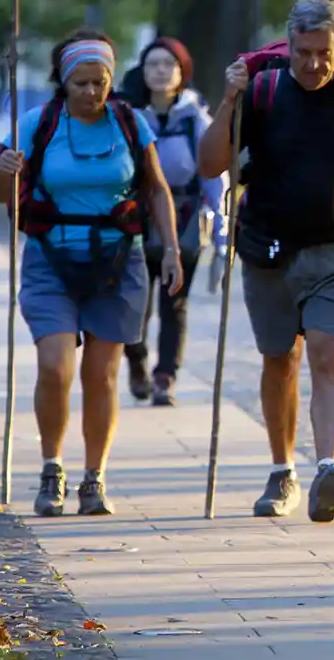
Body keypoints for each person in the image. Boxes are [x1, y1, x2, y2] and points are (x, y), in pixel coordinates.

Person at [198, 0, 334, 524]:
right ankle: (281, 469)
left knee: (327, 354)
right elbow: (210, 163)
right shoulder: (263, 93)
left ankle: (327, 468)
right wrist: (229, 100)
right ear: (288, 46)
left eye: (325, 53)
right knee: (279, 360)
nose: (315, 64)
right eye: (304, 52)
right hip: (269, 251)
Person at [0, 30, 182, 517]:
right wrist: (7, 172)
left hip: (119, 260)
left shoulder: (130, 122)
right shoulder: (37, 123)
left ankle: (94, 478)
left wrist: (173, 250)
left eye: (100, 82)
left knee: (102, 375)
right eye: (81, 83)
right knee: (55, 367)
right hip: (50, 258)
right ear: (63, 82)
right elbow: (1, 196)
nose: (92, 93)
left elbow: (157, 189)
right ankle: (52, 468)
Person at [122, 37, 225, 407]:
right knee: (136, 301)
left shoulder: (195, 117)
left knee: (174, 302)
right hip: (136, 219)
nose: (161, 71)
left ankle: (165, 377)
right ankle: (136, 360)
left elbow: (213, 172)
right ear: (143, 71)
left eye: (169, 64)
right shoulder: (130, 115)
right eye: (153, 64)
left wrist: (221, 224)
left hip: (184, 219)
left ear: (182, 71)